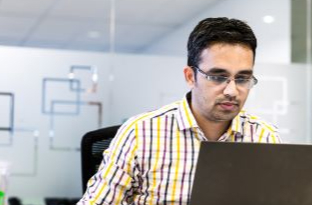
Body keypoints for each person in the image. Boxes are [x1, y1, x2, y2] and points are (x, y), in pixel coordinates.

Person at [78, 17, 281, 205]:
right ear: (190, 76)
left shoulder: (264, 137)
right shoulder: (140, 134)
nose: (231, 91)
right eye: (218, 77)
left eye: (243, 78)